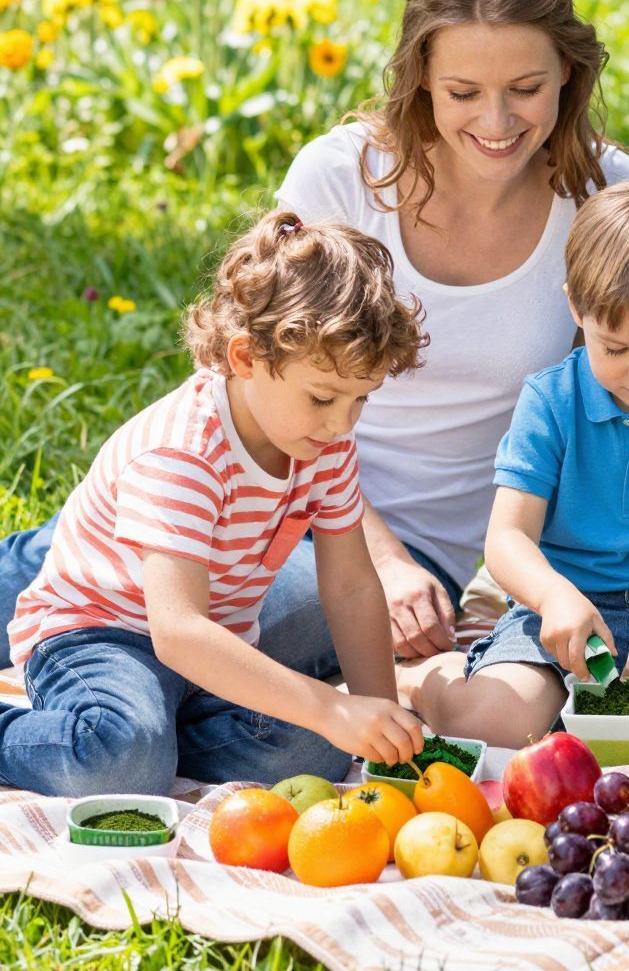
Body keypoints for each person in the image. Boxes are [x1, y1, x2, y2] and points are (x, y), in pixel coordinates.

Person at [0, 0, 629, 678]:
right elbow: (246, 369)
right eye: (464, 93)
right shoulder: (344, 178)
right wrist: (383, 557)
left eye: (525, 90)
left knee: (259, 630)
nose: (496, 124)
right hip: (242, 502)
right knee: (117, 590)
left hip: (412, 556)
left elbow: (615, 402)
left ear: (568, 69)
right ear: (422, 78)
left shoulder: (605, 201)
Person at [0, 212, 426, 797]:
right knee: (118, 760)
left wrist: (380, 720)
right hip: (105, 633)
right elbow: (175, 631)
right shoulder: (184, 452)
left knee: (320, 748)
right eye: (325, 397)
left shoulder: (322, 439)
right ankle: (124, 737)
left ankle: (162, 732)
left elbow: (351, 585)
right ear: (247, 357)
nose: (342, 423)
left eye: (360, 400)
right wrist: (330, 709)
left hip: (221, 630)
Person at [403, 180, 629, 745]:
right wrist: (554, 598)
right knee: (493, 722)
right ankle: (427, 681)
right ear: (576, 305)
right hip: (562, 621)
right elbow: (507, 539)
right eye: (615, 349)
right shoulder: (551, 399)